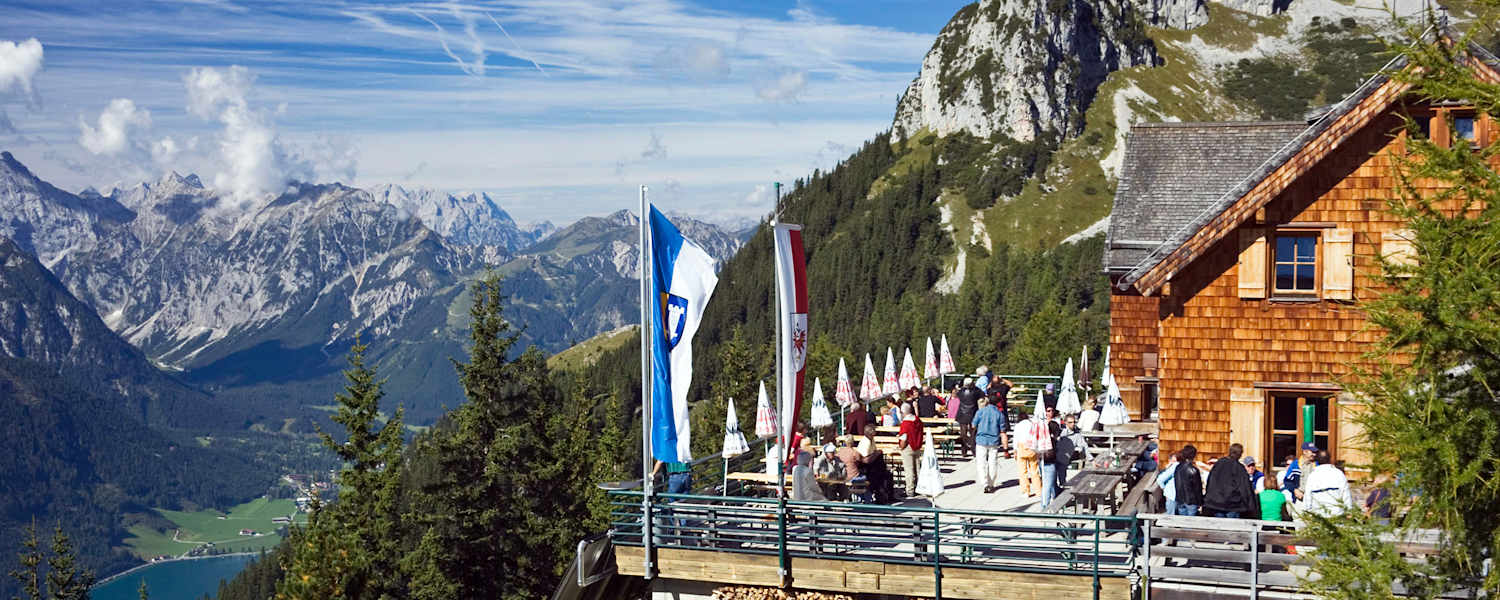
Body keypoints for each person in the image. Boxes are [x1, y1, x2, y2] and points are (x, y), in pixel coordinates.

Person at [1204, 444, 1257, 518]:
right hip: (1233, 505)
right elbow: (1244, 488)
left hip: (1216, 503)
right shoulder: (1239, 468)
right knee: (1232, 527)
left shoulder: (1219, 464)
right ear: (1240, 454)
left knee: (1220, 527)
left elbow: (1210, 482)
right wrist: (1250, 506)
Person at [1296, 450, 1353, 517]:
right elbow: (1346, 494)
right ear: (1330, 459)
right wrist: (1349, 511)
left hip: (1318, 517)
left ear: (1317, 460)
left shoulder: (1313, 475)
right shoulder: (1338, 474)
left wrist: (1307, 512)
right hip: (1337, 515)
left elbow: (1308, 497)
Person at [972, 395, 1004, 493]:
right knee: (993, 462)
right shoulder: (999, 414)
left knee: (981, 463)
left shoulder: (981, 411)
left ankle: (984, 483)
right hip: (993, 440)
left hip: (981, 439)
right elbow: (1002, 430)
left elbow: (973, 424)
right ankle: (991, 483)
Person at [1052, 412, 1087, 500]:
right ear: (1066, 423)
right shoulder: (1061, 432)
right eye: (1070, 422)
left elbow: (1083, 445)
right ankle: (1058, 491)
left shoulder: (1077, 433)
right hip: (1056, 455)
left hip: (1067, 456)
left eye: (1074, 422)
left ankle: (1063, 489)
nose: (1073, 424)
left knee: (1062, 469)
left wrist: (1091, 459)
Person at [857, 424, 894, 503]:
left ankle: (889, 496)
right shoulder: (865, 442)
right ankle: (880, 497)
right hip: (866, 468)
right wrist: (876, 454)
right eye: (874, 430)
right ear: (871, 432)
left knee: (888, 475)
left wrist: (877, 453)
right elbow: (865, 460)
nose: (876, 432)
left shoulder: (871, 440)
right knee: (878, 478)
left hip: (873, 467)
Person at [1013, 409, 1042, 497]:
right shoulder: (1032, 424)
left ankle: (1026, 491)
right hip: (1032, 447)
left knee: (1022, 472)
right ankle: (1038, 491)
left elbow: (1015, 439)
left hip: (1021, 447)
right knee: (1034, 471)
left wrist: (1015, 450)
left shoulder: (1017, 426)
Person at [1039, 406, 1064, 508]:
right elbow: (1058, 438)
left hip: (1046, 457)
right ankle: (1045, 507)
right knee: (1047, 484)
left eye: (1051, 411)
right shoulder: (1047, 425)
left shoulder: (1049, 425)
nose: (1049, 413)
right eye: (1048, 411)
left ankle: (1056, 498)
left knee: (1051, 481)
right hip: (1046, 458)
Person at [897, 403, 923, 497]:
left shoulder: (905, 423)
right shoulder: (917, 420)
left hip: (908, 447)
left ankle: (910, 490)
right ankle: (920, 487)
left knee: (909, 470)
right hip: (917, 445)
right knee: (917, 468)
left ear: (903, 412)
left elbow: (904, 438)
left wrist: (901, 447)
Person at [1174, 445, 1204, 516]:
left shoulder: (1178, 467)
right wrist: (1200, 501)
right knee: (1191, 523)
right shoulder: (1193, 470)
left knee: (1182, 522)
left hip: (1180, 499)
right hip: (1192, 501)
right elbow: (1197, 488)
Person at [956, 378, 982, 457]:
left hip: (962, 413)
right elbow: (982, 395)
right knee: (973, 433)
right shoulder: (976, 391)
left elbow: (958, 393)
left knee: (963, 433)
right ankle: (974, 450)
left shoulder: (960, 392)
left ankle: (964, 450)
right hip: (973, 412)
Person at [1156, 451, 1180, 516]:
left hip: (1172, 494)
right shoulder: (1176, 466)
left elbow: (1160, 479)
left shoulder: (1174, 466)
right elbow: (1160, 479)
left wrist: (1164, 488)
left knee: (1171, 515)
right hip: (1175, 494)